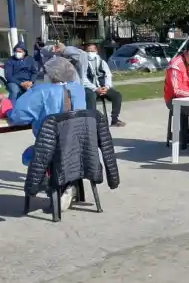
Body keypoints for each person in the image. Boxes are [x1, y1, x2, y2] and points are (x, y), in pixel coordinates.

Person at [7, 56, 87, 212]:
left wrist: (8, 111)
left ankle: (54, 187)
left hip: (49, 147)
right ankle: (66, 185)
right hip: (78, 146)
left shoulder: (41, 91)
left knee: (33, 154)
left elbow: (18, 116)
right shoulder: (78, 89)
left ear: (50, 74)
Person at [83, 42, 125, 127]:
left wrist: (106, 87)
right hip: (90, 88)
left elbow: (108, 75)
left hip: (102, 87)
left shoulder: (102, 62)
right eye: (89, 50)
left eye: (93, 50)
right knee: (91, 97)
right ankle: (92, 122)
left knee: (117, 95)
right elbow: (83, 79)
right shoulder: (83, 63)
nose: (91, 52)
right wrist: (95, 89)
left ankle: (114, 119)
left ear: (96, 51)